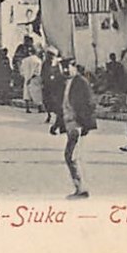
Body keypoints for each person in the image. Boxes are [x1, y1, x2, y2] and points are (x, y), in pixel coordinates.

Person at [60, 58, 96, 199]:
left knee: (71, 156)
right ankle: (80, 188)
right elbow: (64, 104)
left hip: (77, 125)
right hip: (70, 124)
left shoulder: (80, 82)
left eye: (67, 67)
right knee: (72, 156)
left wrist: (85, 124)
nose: (65, 71)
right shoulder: (66, 83)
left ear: (74, 67)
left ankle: (81, 189)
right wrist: (58, 124)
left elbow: (89, 103)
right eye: (63, 68)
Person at [41, 47, 63, 132]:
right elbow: (42, 74)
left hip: (55, 86)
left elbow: (59, 74)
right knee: (46, 101)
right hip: (47, 85)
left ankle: (57, 118)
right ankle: (49, 115)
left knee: (55, 101)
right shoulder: (45, 64)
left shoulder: (57, 64)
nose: (49, 57)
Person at [20, 48, 43, 113]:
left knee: (26, 93)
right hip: (34, 78)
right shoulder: (38, 60)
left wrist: (26, 77)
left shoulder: (24, 60)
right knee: (37, 93)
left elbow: (21, 70)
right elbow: (37, 71)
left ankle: (27, 108)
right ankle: (40, 108)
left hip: (26, 77)